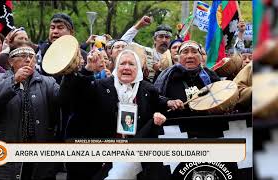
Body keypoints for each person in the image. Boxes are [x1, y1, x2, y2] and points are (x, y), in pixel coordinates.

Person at [60, 49, 180, 179]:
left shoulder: (148, 89)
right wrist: (88, 69)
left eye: (131, 64)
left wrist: (167, 104)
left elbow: (158, 103)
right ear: (116, 67)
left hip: (134, 160)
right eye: (122, 63)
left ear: (138, 68)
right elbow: (70, 97)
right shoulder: (99, 86)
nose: (126, 67)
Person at [0, 41, 62, 180]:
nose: (28, 59)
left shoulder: (48, 82)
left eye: (31, 56)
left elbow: (64, 100)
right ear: (10, 62)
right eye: (23, 55)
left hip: (38, 162)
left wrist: (71, 75)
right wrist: (13, 81)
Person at [155, 40, 220, 122]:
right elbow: (154, 99)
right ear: (178, 57)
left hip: (208, 124)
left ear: (201, 56)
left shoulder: (210, 76)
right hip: (177, 127)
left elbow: (221, 96)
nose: (190, 56)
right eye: (185, 52)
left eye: (194, 52)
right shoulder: (167, 77)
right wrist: (168, 102)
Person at [36, 13, 87, 84]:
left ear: (71, 32)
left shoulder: (83, 56)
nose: (55, 31)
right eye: (52, 27)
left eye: (60, 28)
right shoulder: (40, 53)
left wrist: (80, 71)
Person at [121, 15, 173, 82]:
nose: (164, 40)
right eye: (161, 36)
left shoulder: (173, 57)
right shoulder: (145, 52)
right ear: (154, 39)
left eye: (167, 37)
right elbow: (123, 42)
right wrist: (139, 25)